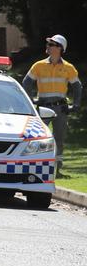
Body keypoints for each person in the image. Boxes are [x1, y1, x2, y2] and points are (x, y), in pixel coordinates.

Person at [23, 34, 80, 168]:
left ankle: (57, 166)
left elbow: (77, 86)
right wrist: (30, 100)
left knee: (59, 138)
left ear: (60, 48)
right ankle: (36, 163)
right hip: (43, 108)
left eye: (51, 44)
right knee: (38, 137)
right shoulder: (39, 65)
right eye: (48, 44)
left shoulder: (69, 68)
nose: (48, 46)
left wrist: (76, 105)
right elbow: (26, 82)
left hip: (61, 108)